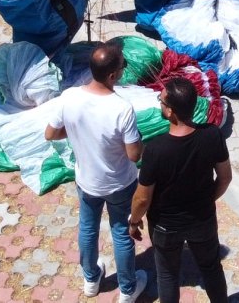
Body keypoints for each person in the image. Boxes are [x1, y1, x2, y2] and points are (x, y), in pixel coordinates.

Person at [46, 41, 148, 303]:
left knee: (88, 229)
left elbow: (51, 133)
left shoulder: (69, 97)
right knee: (122, 233)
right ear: (112, 75)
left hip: (87, 181)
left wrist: (80, 132)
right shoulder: (121, 109)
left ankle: (91, 279)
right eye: (122, 67)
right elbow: (134, 155)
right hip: (119, 183)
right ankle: (127, 289)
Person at [128, 78, 232, 303]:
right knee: (211, 268)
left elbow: (142, 198)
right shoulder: (212, 135)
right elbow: (225, 178)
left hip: (165, 227)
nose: (160, 105)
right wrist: (207, 200)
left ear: (171, 111)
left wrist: (134, 221)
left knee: (167, 275)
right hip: (203, 220)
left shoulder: (155, 150)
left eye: (162, 102)